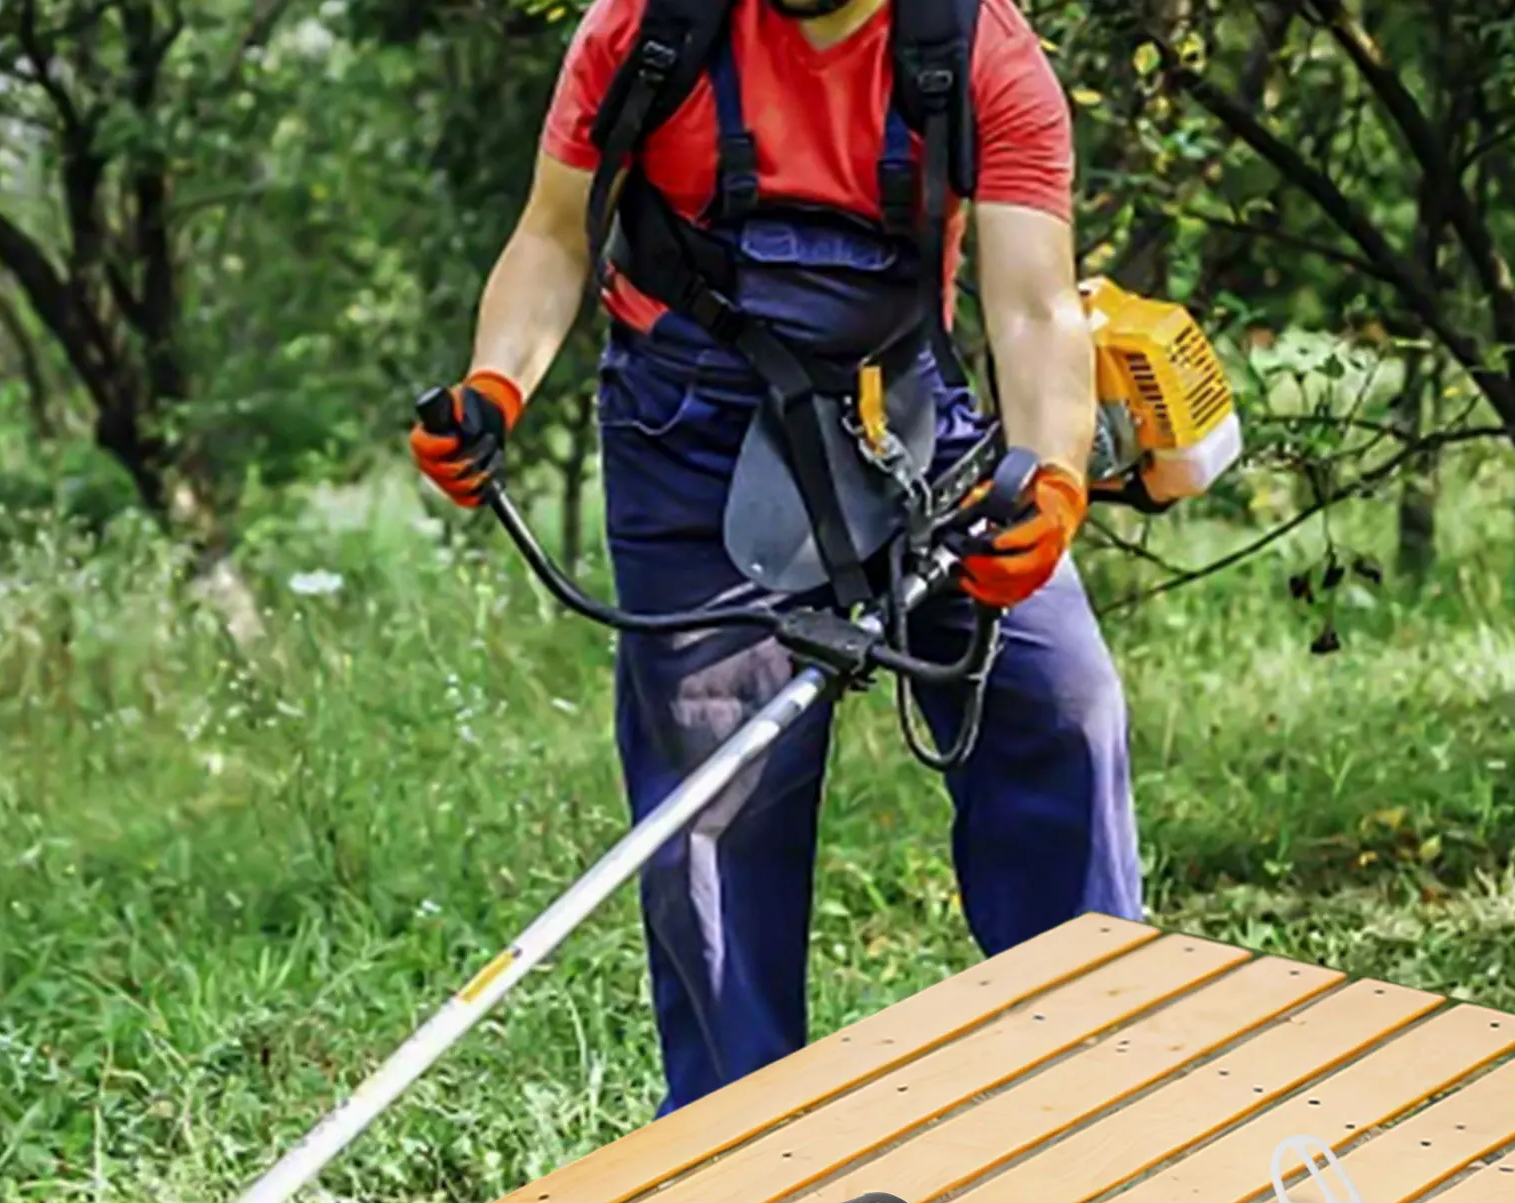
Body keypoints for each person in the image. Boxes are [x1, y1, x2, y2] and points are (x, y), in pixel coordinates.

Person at [410, 0, 1144, 1118]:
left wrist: (1047, 473)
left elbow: (1037, 307)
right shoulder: (647, 30)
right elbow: (555, 235)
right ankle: (733, 1143)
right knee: (716, 788)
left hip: (903, 413)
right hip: (686, 427)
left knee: (1060, 701)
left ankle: (1093, 1062)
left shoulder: (975, 45)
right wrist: (494, 383)